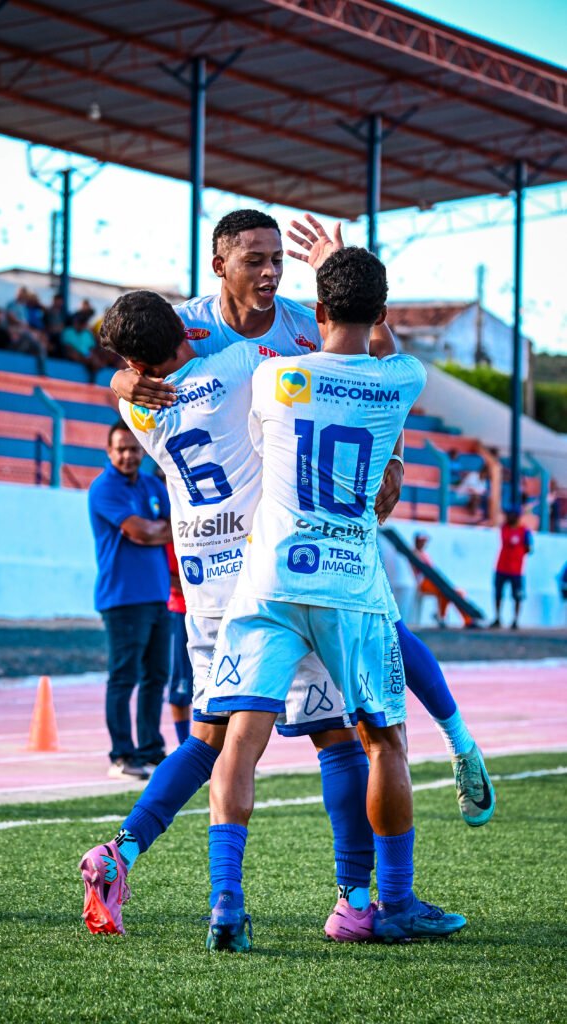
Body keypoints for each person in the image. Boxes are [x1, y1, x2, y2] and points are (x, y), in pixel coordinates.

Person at [110, 209, 494, 828]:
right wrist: (123, 381)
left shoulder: (298, 324)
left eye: (276, 259)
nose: (269, 272)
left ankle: (450, 758)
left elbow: (374, 360)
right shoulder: (189, 325)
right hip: (245, 562)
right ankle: (360, 893)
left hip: (309, 527)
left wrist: (393, 457)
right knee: (267, 731)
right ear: (219, 267)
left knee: (319, 725)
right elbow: (142, 360)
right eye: (254, 260)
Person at [80, 290, 375, 943]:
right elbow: (321, 366)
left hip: (202, 588)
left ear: (134, 358)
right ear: (185, 333)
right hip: (268, 579)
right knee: (336, 737)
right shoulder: (242, 363)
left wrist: (123, 376)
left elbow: (135, 378)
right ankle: (355, 900)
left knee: (207, 739)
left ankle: (121, 854)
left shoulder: (136, 406)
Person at [203, 246, 466, 950]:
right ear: (381, 312)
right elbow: (385, 353)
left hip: (271, 578)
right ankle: (396, 904)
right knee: (386, 743)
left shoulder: (275, 375)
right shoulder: (400, 378)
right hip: (350, 585)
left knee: (242, 742)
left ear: (316, 311)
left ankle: (226, 901)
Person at [88, 422, 173, 780]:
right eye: (120, 449)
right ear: (109, 453)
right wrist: (159, 530)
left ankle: (151, 750)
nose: (127, 455)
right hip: (122, 598)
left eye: (133, 448)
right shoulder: (104, 487)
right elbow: (141, 531)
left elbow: (176, 525)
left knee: (156, 676)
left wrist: (158, 530)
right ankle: (122, 755)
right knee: (124, 678)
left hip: (157, 595)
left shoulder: (153, 485)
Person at [411, 532, 475, 628]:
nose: (424, 543)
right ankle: (442, 616)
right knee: (445, 592)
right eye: (422, 541)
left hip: (432, 581)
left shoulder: (424, 554)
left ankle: (456, 618)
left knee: (451, 593)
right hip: (424, 582)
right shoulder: (415, 553)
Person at [166, 542, 192, 745]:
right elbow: (163, 575)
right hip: (181, 611)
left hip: (217, 611)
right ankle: (186, 747)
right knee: (181, 686)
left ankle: (228, 755)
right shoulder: (168, 530)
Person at [490, 508, 533, 629]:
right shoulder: (505, 528)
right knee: (498, 594)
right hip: (502, 567)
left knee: (517, 595)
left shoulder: (524, 531)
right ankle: (498, 618)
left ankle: (515, 620)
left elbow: (529, 548)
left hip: (516, 570)